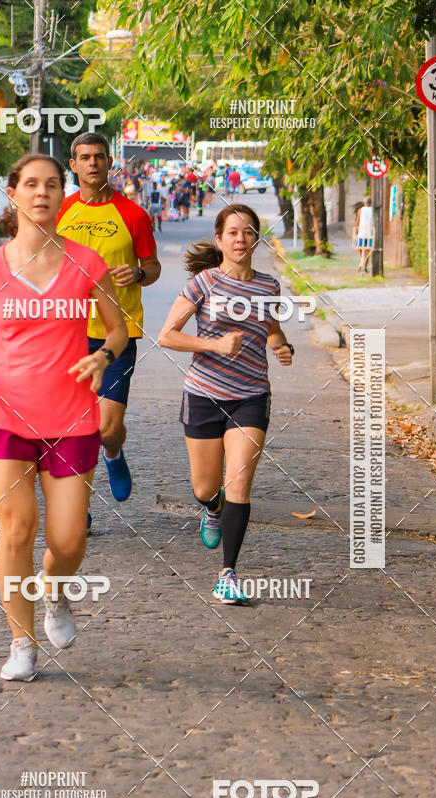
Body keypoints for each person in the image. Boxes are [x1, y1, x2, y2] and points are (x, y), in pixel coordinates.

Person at [0, 153, 128, 681]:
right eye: (31, 184)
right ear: (13, 194)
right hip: (3, 416)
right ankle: (21, 642)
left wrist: (103, 356)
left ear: (62, 194)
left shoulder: (88, 263)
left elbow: (117, 329)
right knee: (17, 529)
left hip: (72, 419)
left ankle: (56, 593)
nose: (41, 192)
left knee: (68, 542)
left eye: (51, 185)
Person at [158, 204, 294, 604]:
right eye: (232, 233)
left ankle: (228, 573)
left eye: (248, 232)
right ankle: (211, 507)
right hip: (203, 394)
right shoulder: (203, 284)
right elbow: (167, 335)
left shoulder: (268, 286)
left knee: (240, 482)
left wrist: (281, 347)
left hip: (251, 396)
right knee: (205, 487)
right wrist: (213, 344)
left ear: (256, 239)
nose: (240, 239)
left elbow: (272, 331)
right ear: (219, 240)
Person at [55, 132, 161, 518]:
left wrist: (137, 273)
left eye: (99, 156)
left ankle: (114, 453)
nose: (93, 163)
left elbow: (153, 268)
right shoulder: (61, 212)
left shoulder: (133, 214)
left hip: (117, 333)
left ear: (109, 161)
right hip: (66, 333)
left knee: (105, 427)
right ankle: (76, 504)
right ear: (74, 165)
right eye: (85, 157)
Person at [355, 196, 374, 273]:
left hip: (362, 232)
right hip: (370, 232)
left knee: (358, 248)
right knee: (368, 250)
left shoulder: (360, 210)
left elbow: (357, 221)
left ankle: (362, 261)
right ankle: (365, 265)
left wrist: (356, 230)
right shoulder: (373, 210)